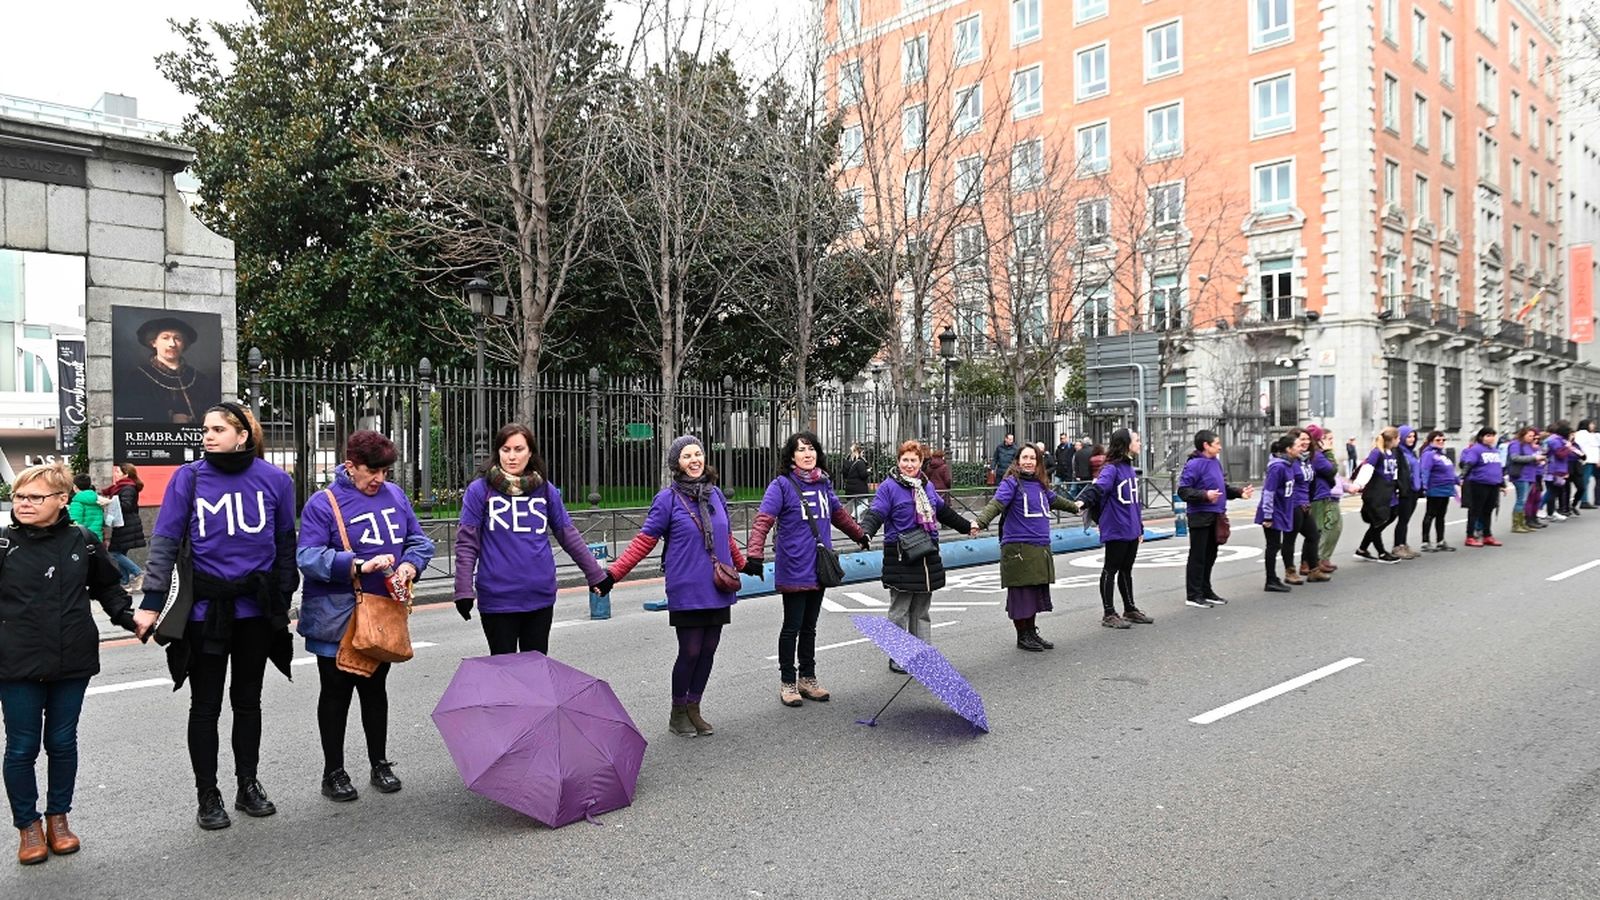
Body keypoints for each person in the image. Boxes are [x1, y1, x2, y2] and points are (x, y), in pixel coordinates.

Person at [131, 402, 298, 831]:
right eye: (205, 429)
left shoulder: (276, 481)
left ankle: (248, 784)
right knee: (205, 707)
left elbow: (284, 545)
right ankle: (208, 794)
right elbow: (165, 541)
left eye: (218, 429)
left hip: (255, 612)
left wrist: (282, 597)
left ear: (242, 435)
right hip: (206, 611)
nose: (207, 435)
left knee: (248, 702)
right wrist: (151, 603)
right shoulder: (188, 478)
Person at [0, 463, 137, 865]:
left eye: (34, 497)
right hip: (16, 662)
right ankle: (28, 826)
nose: (24, 504)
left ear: (62, 500)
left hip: (71, 657)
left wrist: (135, 621)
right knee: (22, 747)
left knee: (62, 742)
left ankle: (59, 819)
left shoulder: (85, 541)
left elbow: (109, 590)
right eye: (20, 497)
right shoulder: (4, 545)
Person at [296, 430, 435, 803]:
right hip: (336, 615)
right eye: (372, 471)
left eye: (385, 472)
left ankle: (379, 762)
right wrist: (357, 564)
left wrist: (410, 565)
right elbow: (307, 557)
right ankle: (334, 772)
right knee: (336, 694)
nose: (379, 479)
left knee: (375, 691)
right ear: (350, 466)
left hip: (382, 612)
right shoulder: (323, 503)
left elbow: (419, 540)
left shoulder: (395, 496)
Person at [605, 436, 749, 738]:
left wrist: (745, 564)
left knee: (709, 649)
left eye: (698, 454)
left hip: (718, 584)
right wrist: (614, 574)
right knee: (691, 650)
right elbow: (644, 541)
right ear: (676, 463)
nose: (694, 460)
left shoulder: (716, 495)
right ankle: (678, 710)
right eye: (686, 456)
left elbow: (726, 537)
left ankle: (695, 706)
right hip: (687, 586)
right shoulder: (667, 499)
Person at [454, 425, 608, 656]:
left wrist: (595, 574)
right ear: (498, 452)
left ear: (530, 452)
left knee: (535, 673)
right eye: (506, 450)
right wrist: (463, 589)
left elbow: (567, 534)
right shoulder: (480, 490)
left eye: (518, 449)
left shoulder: (545, 490)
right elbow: (467, 543)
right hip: (498, 598)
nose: (512, 456)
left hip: (539, 595)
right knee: (505, 675)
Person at [743, 432, 870, 706]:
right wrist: (754, 553)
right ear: (791, 456)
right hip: (793, 565)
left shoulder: (824, 483)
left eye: (811, 449)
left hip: (819, 566)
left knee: (810, 627)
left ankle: (807, 678)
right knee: (792, 626)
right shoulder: (782, 485)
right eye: (801, 450)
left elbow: (839, 515)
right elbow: (763, 520)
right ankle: (788, 681)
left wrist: (860, 535)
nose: (807, 454)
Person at [858, 440, 979, 670]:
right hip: (901, 554)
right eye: (905, 460)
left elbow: (943, 512)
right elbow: (876, 513)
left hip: (927, 554)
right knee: (900, 608)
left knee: (922, 609)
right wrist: (866, 533)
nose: (909, 465)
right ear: (898, 461)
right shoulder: (888, 487)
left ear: (921, 462)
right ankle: (898, 656)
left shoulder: (927, 487)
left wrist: (967, 526)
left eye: (914, 460)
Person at [972, 444, 1079, 650]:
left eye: (1033, 458)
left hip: (1039, 547)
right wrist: (980, 522)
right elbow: (996, 504)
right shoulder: (1012, 483)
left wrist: (1076, 507)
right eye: (1025, 458)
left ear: (1038, 462)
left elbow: (1055, 500)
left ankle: (1031, 632)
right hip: (1019, 548)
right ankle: (1022, 636)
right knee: (1022, 596)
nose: (1029, 462)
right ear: (1018, 461)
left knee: (1035, 594)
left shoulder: (1039, 485)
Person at [1176, 429, 1252, 609]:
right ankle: (1193, 594)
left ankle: (1206, 590)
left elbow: (1222, 487)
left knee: (1210, 555)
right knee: (1198, 556)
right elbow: (1183, 490)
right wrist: (1204, 495)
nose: (1219, 447)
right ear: (1206, 445)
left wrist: (1240, 492)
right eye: (1216, 443)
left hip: (1216, 515)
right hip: (1200, 515)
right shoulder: (1194, 464)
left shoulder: (1214, 463)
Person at [1094, 429, 1152, 628]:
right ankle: (1109, 613)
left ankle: (1130, 608)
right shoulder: (1111, 469)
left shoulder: (1129, 468)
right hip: (1117, 527)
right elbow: (1098, 490)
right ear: (1126, 443)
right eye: (1136, 440)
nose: (1140, 443)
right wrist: (1085, 506)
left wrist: (1140, 527)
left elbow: (1135, 502)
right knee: (1111, 569)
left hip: (1131, 527)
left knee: (1126, 570)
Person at [119, 316, 218, 425]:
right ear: (153, 343)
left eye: (178, 339)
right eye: (165, 338)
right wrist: (169, 418)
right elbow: (128, 416)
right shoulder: (137, 378)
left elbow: (214, 416)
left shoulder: (199, 379)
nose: (172, 344)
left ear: (183, 345)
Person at [1256, 433, 1300, 592]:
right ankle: (1270, 579)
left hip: (1281, 510)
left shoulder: (1288, 465)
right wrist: (1268, 515)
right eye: (1296, 446)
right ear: (1288, 449)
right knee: (1273, 545)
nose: (1300, 448)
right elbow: (1268, 492)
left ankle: (1273, 578)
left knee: (1276, 545)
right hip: (1273, 512)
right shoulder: (1278, 467)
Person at [1285, 429, 1328, 583]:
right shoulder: (1290, 461)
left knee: (1313, 535)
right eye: (1302, 439)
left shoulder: (1306, 460)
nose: (1306, 442)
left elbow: (1311, 483)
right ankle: (1290, 572)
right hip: (1293, 505)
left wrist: (1308, 501)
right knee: (1290, 539)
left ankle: (1313, 570)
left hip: (1305, 504)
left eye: (1308, 439)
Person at [1353, 427, 1401, 562]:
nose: (1399, 441)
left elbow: (1393, 473)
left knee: (1390, 517)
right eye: (1398, 438)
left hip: (1389, 493)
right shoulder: (1377, 453)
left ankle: (1362, 549)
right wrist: (1358, 484)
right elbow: (1367, 469)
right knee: (1378, 523)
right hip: (1377, 495)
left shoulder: (1392, 453)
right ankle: (1381, 553)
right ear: (1392, 439)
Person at [1459, 428, 1506, 546]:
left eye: (1493, 436)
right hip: (1479, 483)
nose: (1491, 438)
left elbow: (1497, 468)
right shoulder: (1476, 449)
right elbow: (1468, 464)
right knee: (1475, 510)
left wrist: (1502, 484)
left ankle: (1487, 535)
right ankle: (1469, 536)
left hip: (1493, 483)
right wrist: (1462, 477)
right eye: (1488, 436)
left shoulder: (1494, 451)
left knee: (1488, 510)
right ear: (1481, 437)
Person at [102, 463, 146, 589]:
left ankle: (138, 573)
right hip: (123, 523)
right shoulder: (121, 487)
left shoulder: (128, 488)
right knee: (121, 552)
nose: (115, 474)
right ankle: (124, 582)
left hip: (126, 524)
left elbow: (126, 505)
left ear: (125, 474)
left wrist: (109, 502)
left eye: (118, 472)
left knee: (114, 552)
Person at [1307, 426, 1343, 574]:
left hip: (1326, 494)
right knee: (1324, 528)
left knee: (1333, 527)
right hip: (1321, 496)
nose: (1330, 443)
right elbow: (1331, 470)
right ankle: (1318, 559)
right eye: (1327, 439)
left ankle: (1322, 558)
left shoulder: (1319, 455)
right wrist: (1328, 452)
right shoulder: (1318, 455)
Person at [1417, 431, 1459, 552]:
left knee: (1441, 516)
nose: (1441, 442)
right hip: (1435, 488)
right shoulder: (1428, 454)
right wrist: (1424, 486)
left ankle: (1440, 541)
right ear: (1431, 441)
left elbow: (1450, 471)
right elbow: (1425, 470)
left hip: (1446, 489)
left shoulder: (1442, 455)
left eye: (1443, 440)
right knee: (1430, 514)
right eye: (1438, 440)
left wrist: (1457, 480)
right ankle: (1425, 542)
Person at [1389, 426, 1423, 559]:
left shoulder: (1411, 452)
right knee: (1402, 520)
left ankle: (1404, 544)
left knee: (1406, 519)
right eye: (1408, 437)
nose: (1412, 439)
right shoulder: (1398, 452)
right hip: (1404, 490)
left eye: (1413, 436)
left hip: (1413, 490)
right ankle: (1398, 546)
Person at [1505, 426, 1545, 533]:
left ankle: (1522, 523)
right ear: (1523, 435)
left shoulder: (1529, 446)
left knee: (1525, 500)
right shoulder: (1516, 444)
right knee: (1521, 500)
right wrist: (1534, 458)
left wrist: (1538, 460)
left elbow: (1532, 456)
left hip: (1530, 475)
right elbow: (1515, 457)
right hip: (1520, 475)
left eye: (1533, 436)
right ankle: (1516, 524)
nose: (1531, 438)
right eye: (1529, 436)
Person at [1542, 422, 1573, 522]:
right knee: (1552, 491)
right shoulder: (1555, 440)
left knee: (1555, 491)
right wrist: (1568, 447)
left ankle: (1551, 512)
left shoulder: (1558, 440)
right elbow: (1560, 454)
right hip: (1554, 469)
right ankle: (1539, 507)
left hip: (1559, 469)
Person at [66, 475, 106, 542]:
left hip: (83, 540)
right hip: (97, 538)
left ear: (75, 487)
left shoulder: (77, 502)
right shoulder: (97, 500)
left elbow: (75, 524)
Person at [1574, 419, 1600, 508]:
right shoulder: (1583, 434)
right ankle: (1584, 500)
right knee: (1585, 480)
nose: (1593, 426)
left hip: (1591, 460)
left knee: (1587, 480)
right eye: (1591, 424)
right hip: (1587, 460)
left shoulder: (1587, 434)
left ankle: (1585, 500)